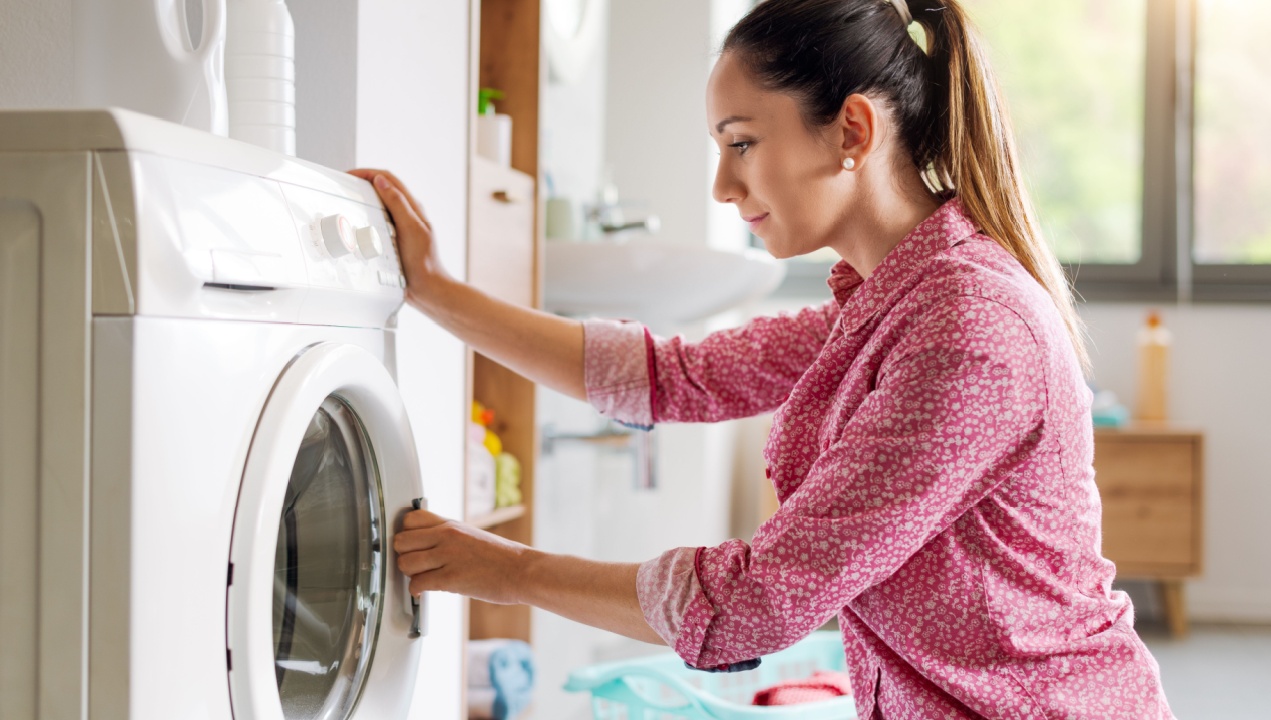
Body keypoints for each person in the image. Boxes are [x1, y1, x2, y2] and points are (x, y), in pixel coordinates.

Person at [353, 0, 1175, 716]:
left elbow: (756, 602)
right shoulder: (890, 301)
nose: (722, 183)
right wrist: (435, 292)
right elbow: (671, 377)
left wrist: (504, 571)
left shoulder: (969, 328)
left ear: (852, 131)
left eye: (742, 143)